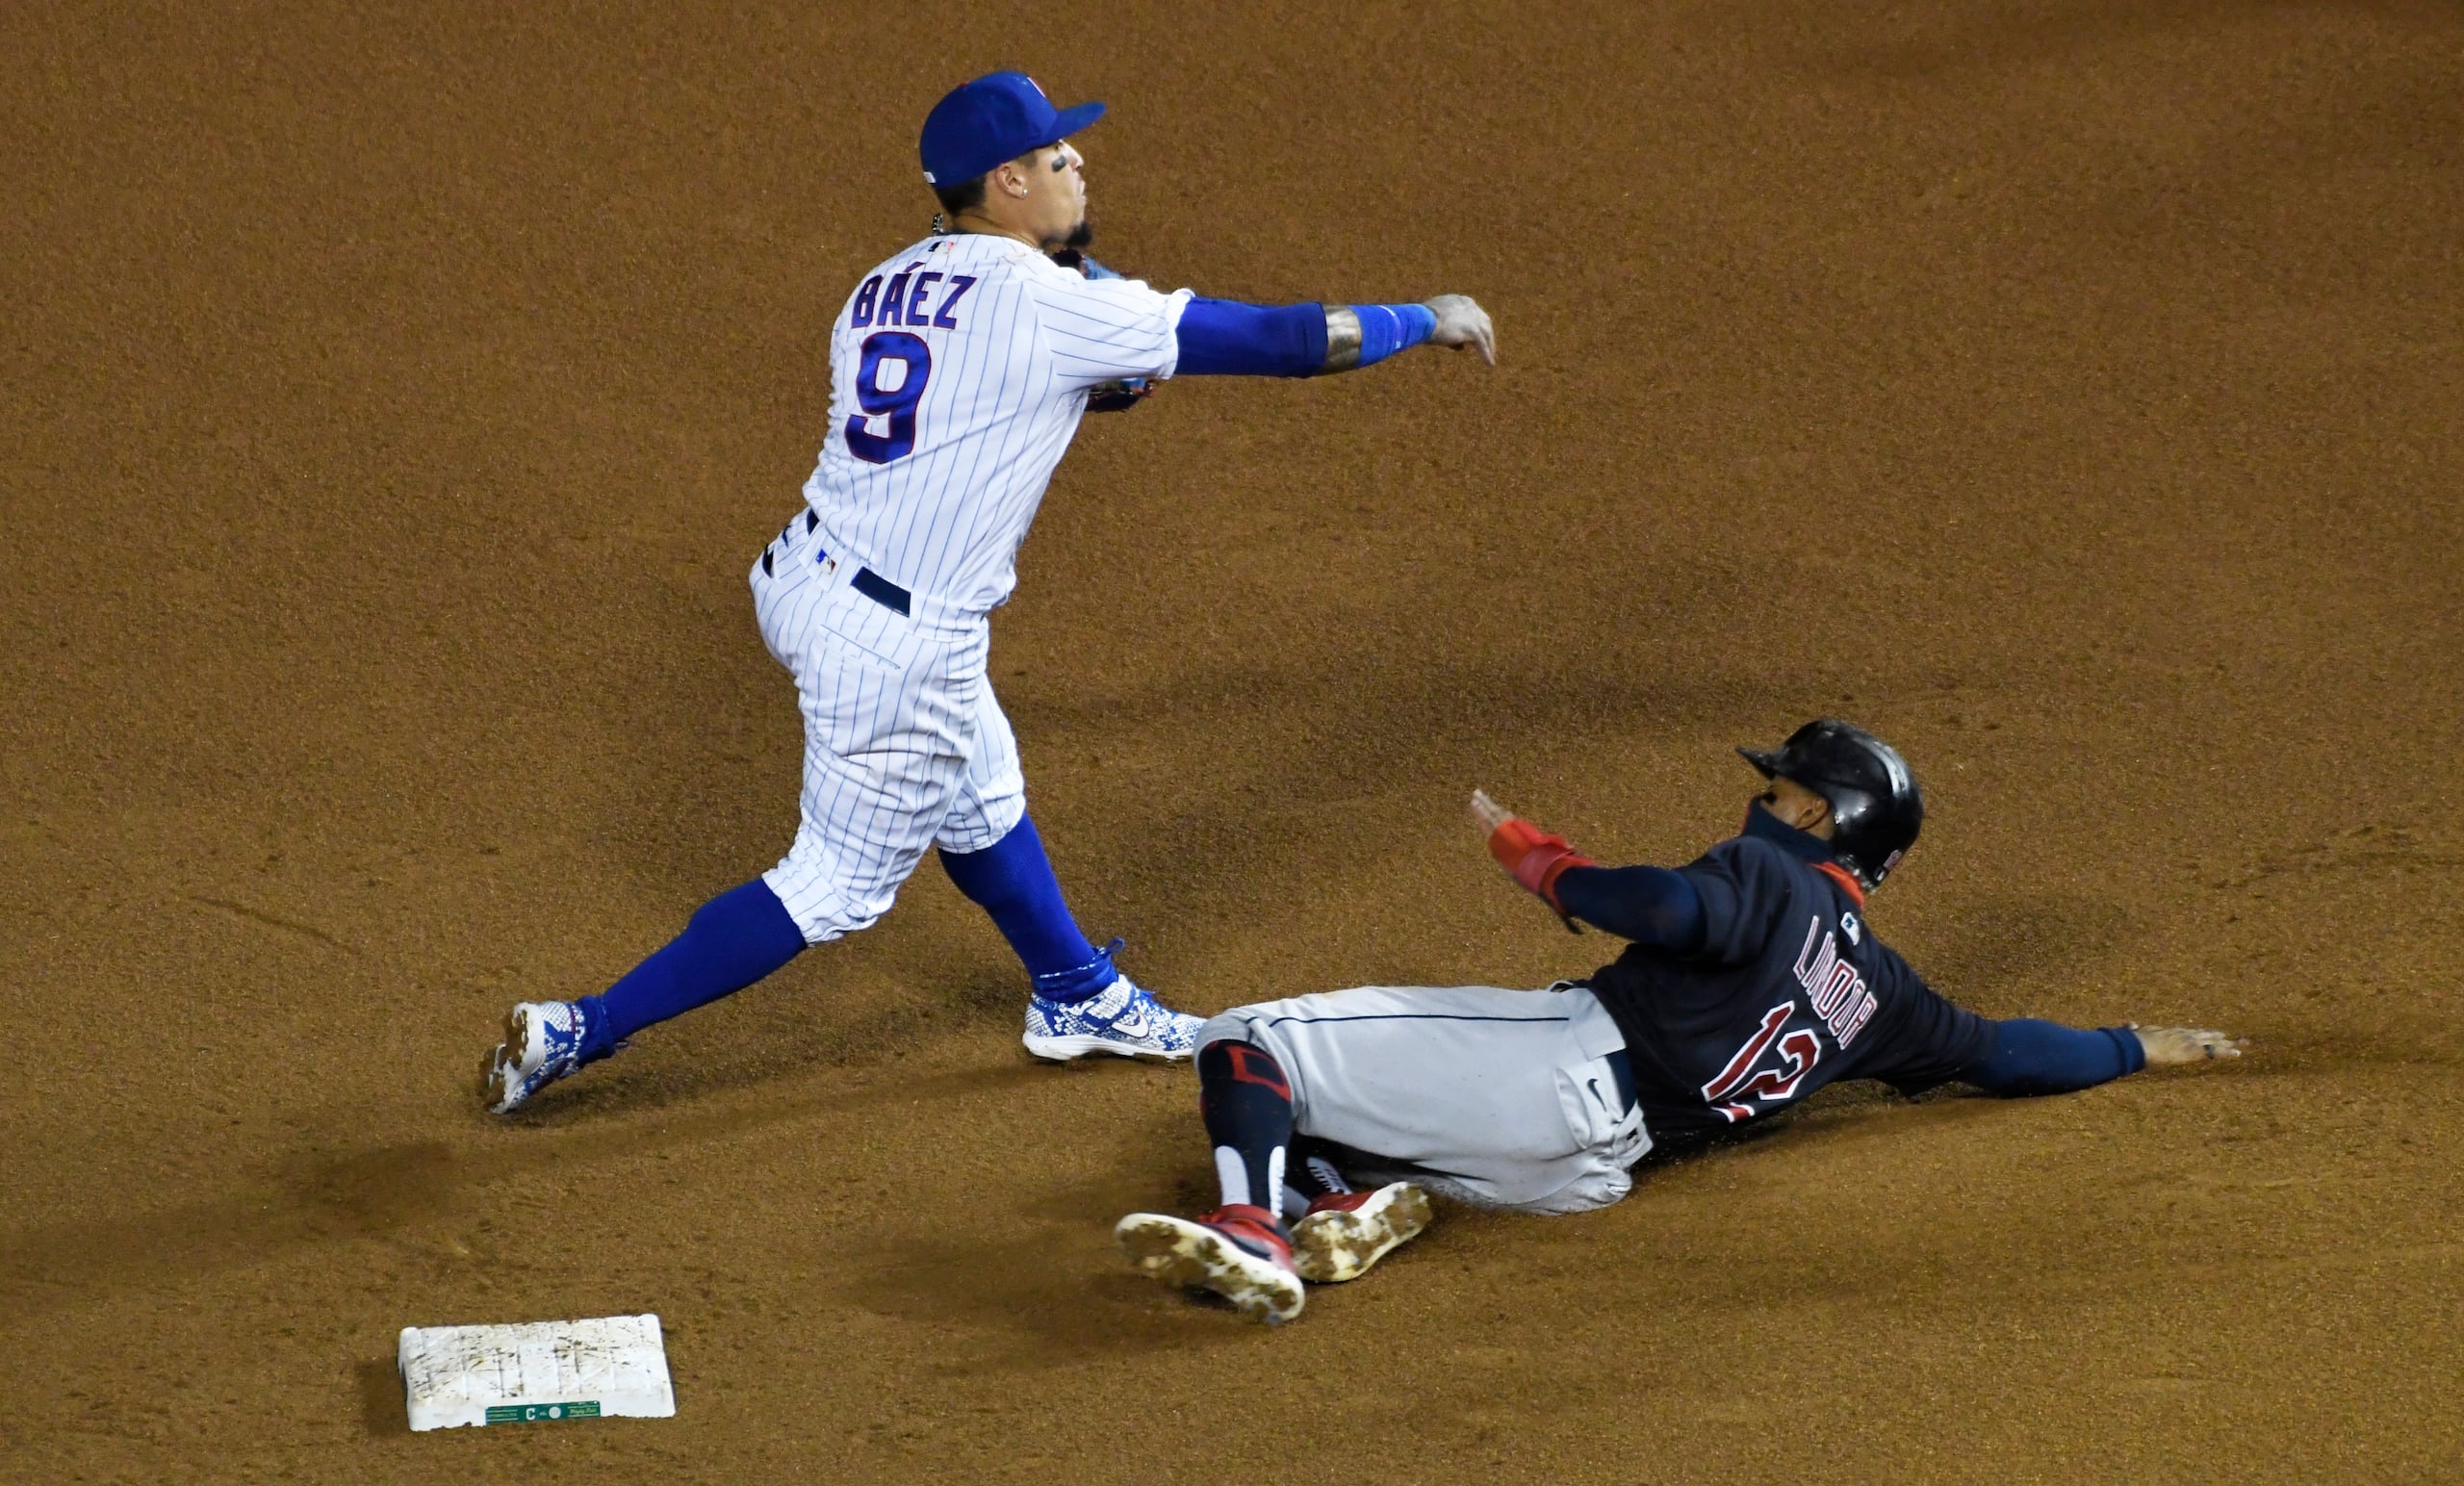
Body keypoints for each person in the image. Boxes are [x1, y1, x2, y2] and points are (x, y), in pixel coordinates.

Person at [480, 72, 1497, 1113]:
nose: (1079, 165)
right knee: (830, 884)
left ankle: (1075, 991)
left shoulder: (879, 285)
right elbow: (1284, 342)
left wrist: (1096, 370)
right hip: (891, 639)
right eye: (1059, 156)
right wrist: (1426, 317)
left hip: (802, 570)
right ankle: (579, 1027)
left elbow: (969, 407)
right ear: (1007, 180)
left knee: (979, 783)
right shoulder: (1055, 301)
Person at [1115, 720, 2242, 1323]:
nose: (1762, 802)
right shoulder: (1887, 995)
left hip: (1556, 1068)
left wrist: (1541, 860)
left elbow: (1662, 906)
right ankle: (1352, 1198)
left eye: (1780, 791)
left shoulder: (1773, 869)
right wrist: (2133, 1044)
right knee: (1344, 1103)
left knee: (1249, 1038)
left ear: (1813, 814)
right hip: (1588, 1174)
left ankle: (1255, 1230)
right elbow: (2005, 1053)